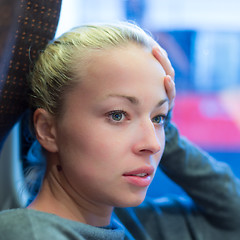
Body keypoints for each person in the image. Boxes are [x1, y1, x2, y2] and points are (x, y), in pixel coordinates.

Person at [0, 22, 239, 240]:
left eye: (158, 118)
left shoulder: (134, 225)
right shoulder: (28, 233)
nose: (153, 144)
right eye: (118, 115)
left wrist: (168, 129)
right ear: (48, 130)